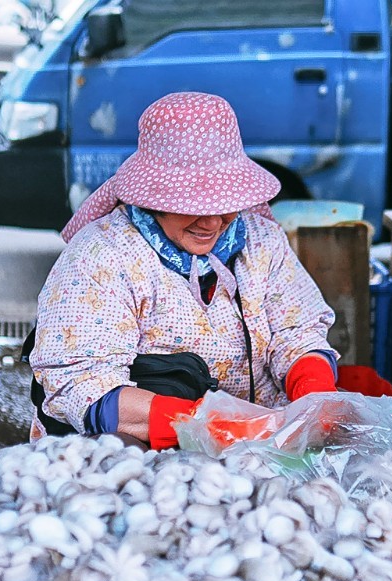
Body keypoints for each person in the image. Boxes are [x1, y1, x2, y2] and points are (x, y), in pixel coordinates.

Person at [29, 92, 339, 449]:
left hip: (260, 445)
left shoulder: (261, 240)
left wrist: (314, 395)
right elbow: (81, 381)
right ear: (151, 197)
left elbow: (296, 330)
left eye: (224, 203)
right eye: (191, 204)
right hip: (139, 453)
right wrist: (204, 426)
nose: (212, 221)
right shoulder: (101, 256)